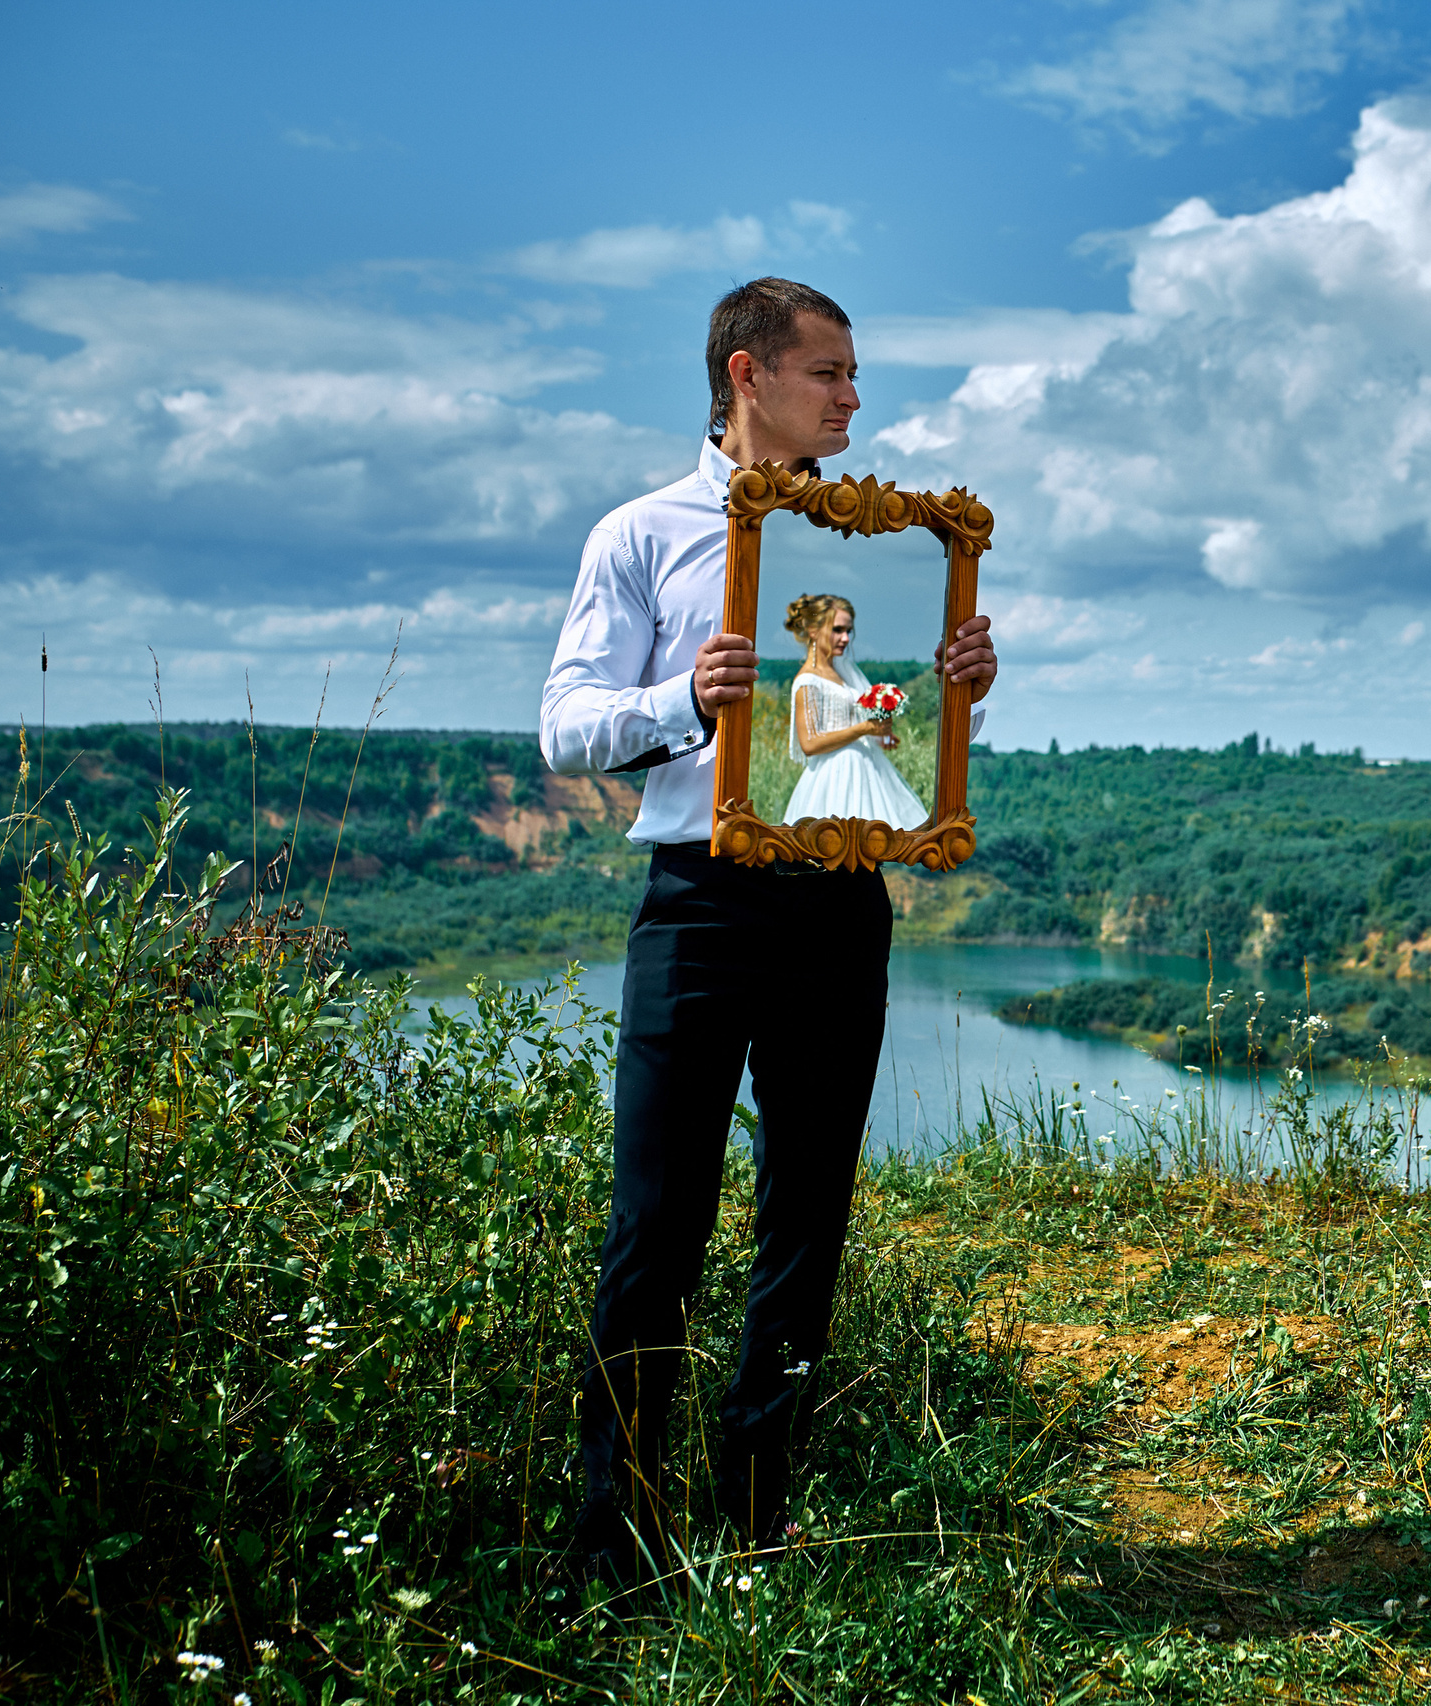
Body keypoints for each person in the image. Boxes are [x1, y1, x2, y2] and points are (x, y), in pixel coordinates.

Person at [537, 277, 997, 1584]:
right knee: (656, 1231)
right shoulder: (643, 532)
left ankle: (756, 1505)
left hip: (842, 899)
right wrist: (680, 697)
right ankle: (608, 1543)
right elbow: (564, 723)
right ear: (748, 373)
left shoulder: (883, 546)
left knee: (810, 1214)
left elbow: (877, 731)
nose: (855, 396)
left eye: (853, 377)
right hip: (700, 901)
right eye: (831, 373)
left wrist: (958, 691)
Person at [780, 592, 928, 830]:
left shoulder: (843, 671)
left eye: (848, 631)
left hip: (864, 773)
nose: (846, 638)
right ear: (813, 630)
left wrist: (879, 735)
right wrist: (864, 728)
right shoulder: (807, 681)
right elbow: (809, 743)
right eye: (837, 630)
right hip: (834, 779)